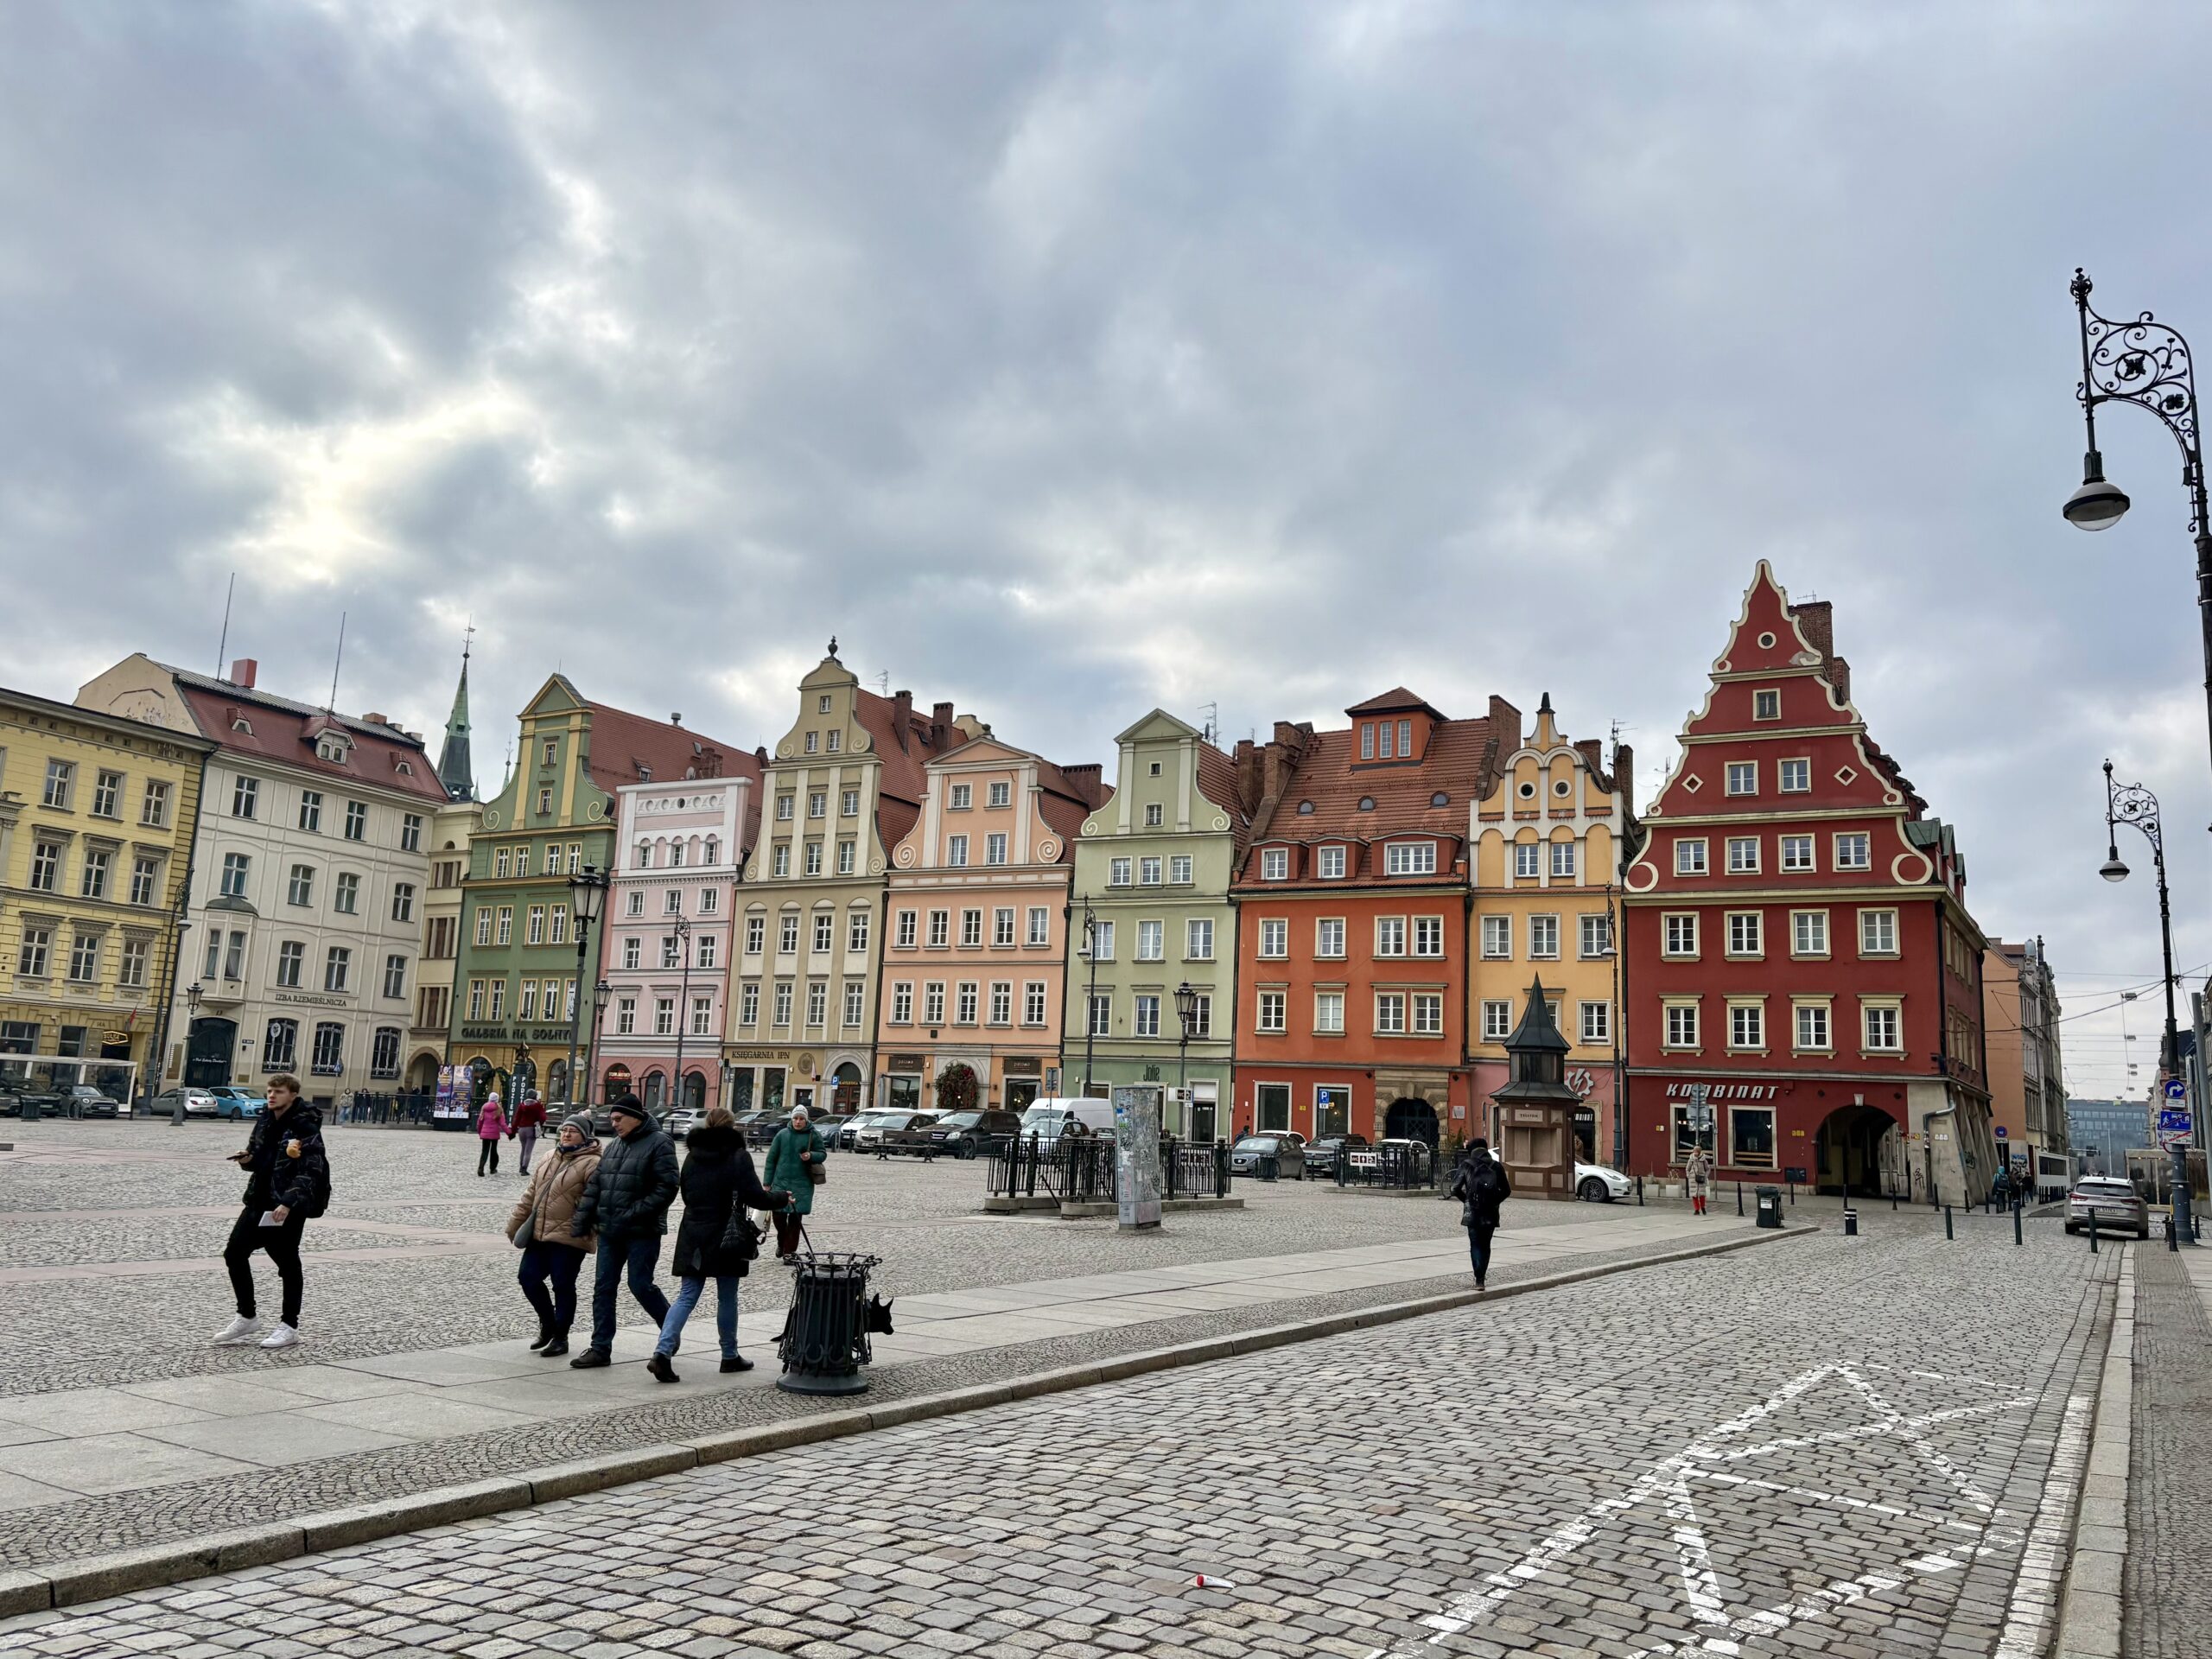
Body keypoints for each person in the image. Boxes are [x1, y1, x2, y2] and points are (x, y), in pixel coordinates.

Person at [648, 1105, 792, 1382]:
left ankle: (662, 1353)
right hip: (728, 1234)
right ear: (731, 1126)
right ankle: (729, 1355)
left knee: (687, 1295)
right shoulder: (738, 1156)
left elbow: (686, 1194)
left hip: (694, 1232)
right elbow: (756, 1197)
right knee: (727, 1296)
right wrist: (782, 1198)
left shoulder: (692, 1156)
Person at [213, 1073, 330, 1350]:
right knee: (234, 1253)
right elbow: (258, 1156)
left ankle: (289, 1326)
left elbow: (311, 1170)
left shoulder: (305, 1125)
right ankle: (247, 1316)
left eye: (278, 1092)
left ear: (293, 1095)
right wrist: (248, 1159)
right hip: (259, 1199)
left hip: (289, 1204)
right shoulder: (266, 1118)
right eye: (269, 1091)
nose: (272, 1096)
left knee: (287, 1263)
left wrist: (288, 1203)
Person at [564, 1095, 678, 1369]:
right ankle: (600, 1348)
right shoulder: (614, 1145)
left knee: (640, 1285)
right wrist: (583, 1220)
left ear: (635, 1117)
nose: (614, 1124)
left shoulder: (660, 1142)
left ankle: (670, 1334)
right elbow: (596, 1185)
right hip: (610, 1231)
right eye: (612, 1119)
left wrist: (634, 1212)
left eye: (618, 1119)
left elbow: (667, 1187)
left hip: (642, 1231)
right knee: (603, 1288)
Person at [505, 1112, 601, 1356]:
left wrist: (585, 1225)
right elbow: (530, 1195)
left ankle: (561, 1337)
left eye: (573, 1131)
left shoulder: (593, 1163)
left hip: (570, 1236)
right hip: (540, 1233)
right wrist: (514, 1224)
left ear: (585, 1136)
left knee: (563, 1285)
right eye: (564, 1130)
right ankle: (548, 1324)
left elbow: (596, 1202)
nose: (566, 1134)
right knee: (528, 1277)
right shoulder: (549, 1157)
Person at [764, 1104, 828, 1260]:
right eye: (795, 1118)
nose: (798, 1122)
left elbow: (822, 1154)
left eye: (801, 1119)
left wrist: (811, 1155)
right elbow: (771, 1160)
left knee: (795, 1220)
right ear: (791, 1119)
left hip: (802, 1183)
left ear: (806, 1120)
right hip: (781, 1181)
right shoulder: (782, 1135)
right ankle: (781, 1240)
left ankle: (789, 1253)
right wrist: (767, 1183)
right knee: (778, 1217)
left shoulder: (813, 1135)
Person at [1447, 1137, 1511, 1289]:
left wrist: (1467, 1201)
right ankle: (1482, 1277)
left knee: (1475, 1244)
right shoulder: (1496, 1166)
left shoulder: (1467, 1164)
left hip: (1473, 1213)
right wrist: (1494, 1202)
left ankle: (1478, 1279)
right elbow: (1507, 1191)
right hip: (1490, 1212)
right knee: (1486, 1245)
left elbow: (1454, 1188)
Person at [512, 1091, 547, 1176]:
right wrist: (539, 1123)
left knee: (523, 1149)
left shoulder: (522, 1105)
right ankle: (524, 1169)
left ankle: (521, 1167)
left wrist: (514, 1129)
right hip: (531, 1129)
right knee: (528, 1150)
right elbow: (543, 1117)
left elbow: (517, 1118)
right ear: (535, 1096)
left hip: (521, 1129)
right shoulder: (537, 1105)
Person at [477, 1091, 509, 1177]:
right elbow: (502, 1124)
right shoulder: (499, 1109)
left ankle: (480, 1168)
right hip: (494, 1133)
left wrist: (480, 1132)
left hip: (485, 1133)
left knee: (484, 1151)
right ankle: (492, 1168)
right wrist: (509, 1133)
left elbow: (479, 1122)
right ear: (497, 1099)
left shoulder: (484, 1107)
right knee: (494, 1151)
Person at [1685, 1147, 1713, 1217]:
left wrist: (1705, 1176)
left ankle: (1703, 1207)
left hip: (1701, 1179)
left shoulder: (1704, 1160)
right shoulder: (1691, 1160)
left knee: (1702, 1195)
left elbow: (1708, 1169)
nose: (1695, 1153)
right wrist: (1689, 1175)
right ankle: (1697, 1209)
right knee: (1694, 1195)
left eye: (1696, 1151)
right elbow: (1687, 1169)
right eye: (1694, 1151)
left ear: (1699, 1152)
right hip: (1693, 1179)